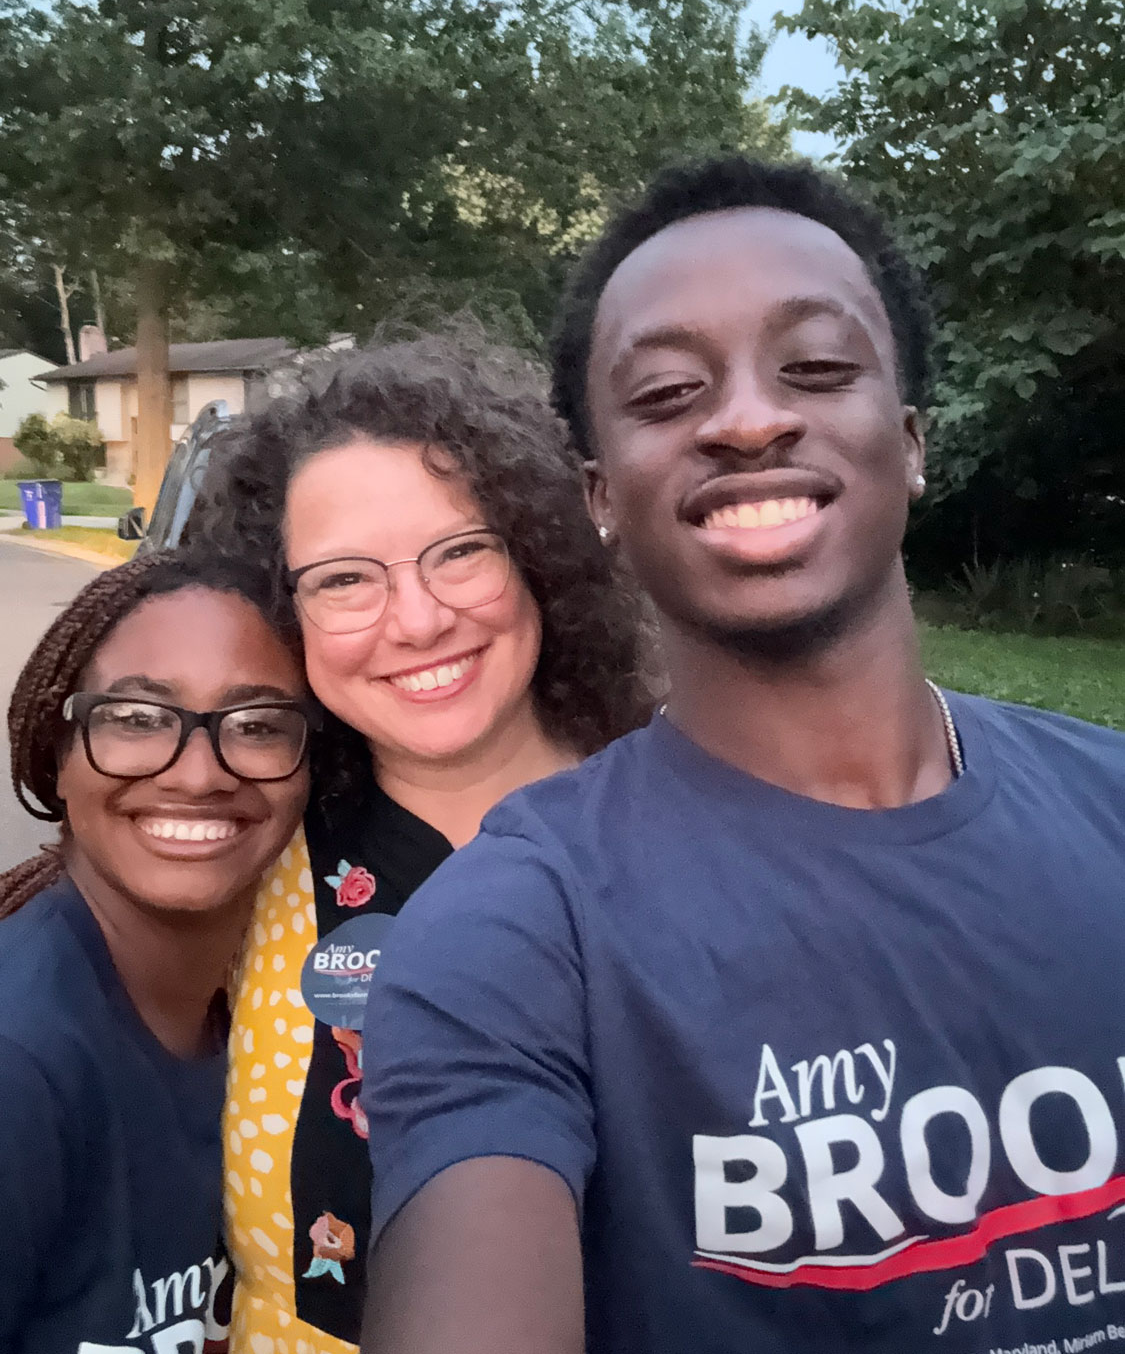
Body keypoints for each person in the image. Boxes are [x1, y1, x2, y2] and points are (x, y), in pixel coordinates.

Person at [359, 157, 1125, 1354]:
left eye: (817, 368)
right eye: (668, 393)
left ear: (912, 442)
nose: (750, 417)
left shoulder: (1112, 806)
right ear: (603, 495)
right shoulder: (518, 929)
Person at [198, 331, 648, 1352]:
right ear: (284, 612)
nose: (418, 619)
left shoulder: (700, 828)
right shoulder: (239, 859)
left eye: (461, 551)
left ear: (538, 558)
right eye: (346, 580)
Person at [0, 550, 314, 1353]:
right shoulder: (22, 1064)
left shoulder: (259, 1023)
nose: (200, 773)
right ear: (57, 753)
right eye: (137, 720)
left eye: (256, 727)